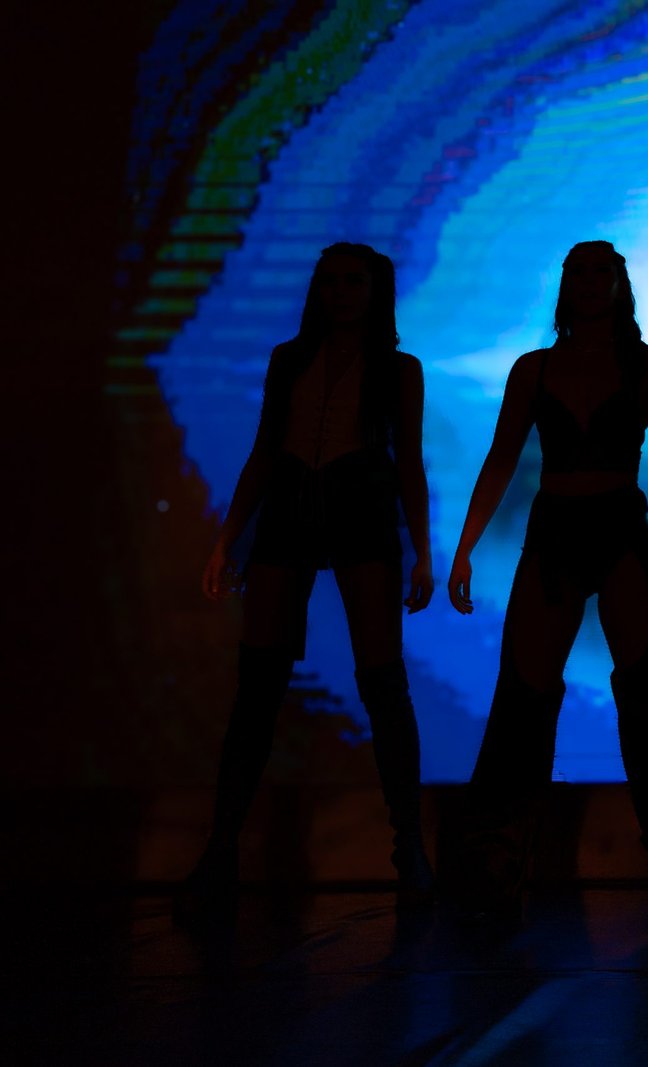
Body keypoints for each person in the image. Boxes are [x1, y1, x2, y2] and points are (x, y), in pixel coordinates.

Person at [445, 241, 648, 938]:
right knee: (523, 701)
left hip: (619, 527)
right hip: (558, 528)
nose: (593, 281)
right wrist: (465, 546)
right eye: (581, 271)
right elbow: (502, 455)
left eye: (605, 271)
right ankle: (497, 871)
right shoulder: (534, 370)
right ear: (566, 286)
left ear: (621, 286)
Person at [181, 242, 435, 912]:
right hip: (291, 506)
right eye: (330, 280)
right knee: (258, 684)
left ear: (375, 290)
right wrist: (228, 538)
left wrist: (423, 550)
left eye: (354, 281)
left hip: (361, 507)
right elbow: (266, 449)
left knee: (383, 682)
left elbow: (408, 459)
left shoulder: (398, 368)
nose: (341, 291)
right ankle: (221, 848)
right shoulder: (288, 360)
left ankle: (409, 845)